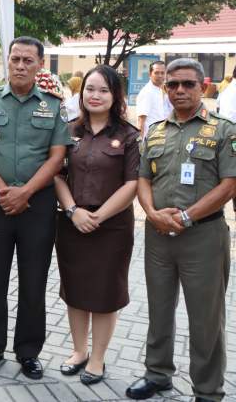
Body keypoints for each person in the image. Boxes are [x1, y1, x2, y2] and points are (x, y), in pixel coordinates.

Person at [126, 58, 236, 402]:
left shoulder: (223, 130)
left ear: (203, 86)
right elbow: (143, 178)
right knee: (158, 310)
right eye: (172, 85)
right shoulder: (156, 129)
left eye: (188, 84)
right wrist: (151, 213)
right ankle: (157, 374)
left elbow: (230, 184)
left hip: (203, 236)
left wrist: (186, 217)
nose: (179, 91)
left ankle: (207, 390)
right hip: (158, 235)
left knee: (205, 319)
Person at [0, 36, 70, 380]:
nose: (21, 66)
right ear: (6, 61)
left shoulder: (54, 105)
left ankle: (28, 351)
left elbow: (57, 157)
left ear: (40, 65)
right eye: (15, 59)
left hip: (38, 205)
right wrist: (3, 191)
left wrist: (25, 192)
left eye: (28, 60)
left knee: (33, 279)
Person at [54, 65, 139, 385]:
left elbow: (132, 184)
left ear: (115, 95)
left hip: (112, 227)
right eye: (90, 88)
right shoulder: (69, 131)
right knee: (75, 288)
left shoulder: (128, 135)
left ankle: (98, 358)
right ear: (82, 92)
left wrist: (98, 216)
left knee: (106, 293)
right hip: (72, 222)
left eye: (104, 90)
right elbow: (57, 174)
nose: (96, 95)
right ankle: (79, 350)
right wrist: (73, 210)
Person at [135, 60, 172, 137]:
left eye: (162, 73)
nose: (160, 76)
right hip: (150, 139)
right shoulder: (147, 92)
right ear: (150, 74)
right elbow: (141, 121)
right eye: (156, 73)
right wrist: (140, 144)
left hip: (162, 137)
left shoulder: (161, 90)